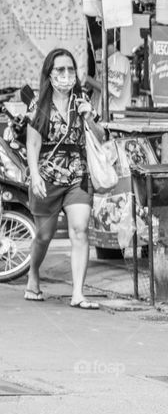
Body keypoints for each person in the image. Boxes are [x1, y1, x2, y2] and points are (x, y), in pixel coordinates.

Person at [23, 48, 106, 310]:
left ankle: (78, 293)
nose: (66, 74)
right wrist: (35, 175)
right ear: (49, 74)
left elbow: (101, 136)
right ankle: (33, 273)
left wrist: (89, 117)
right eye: (60, 69)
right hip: (46, 177)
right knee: (44, 236)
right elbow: (32, 143)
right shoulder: (38, 104)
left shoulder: (82, 101)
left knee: (80, 230)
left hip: (78, 177)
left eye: (70, 69)